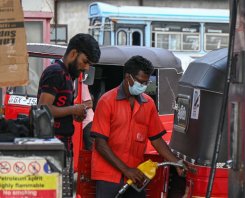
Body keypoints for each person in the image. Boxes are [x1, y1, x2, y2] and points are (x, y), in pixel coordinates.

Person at [90, 55, 184, 198]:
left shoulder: (148, 104)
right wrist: (126, 170)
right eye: (141, 82)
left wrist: (176, 163)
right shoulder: (107, 101)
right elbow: (100, 144)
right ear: (128, 77)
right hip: (108, 176)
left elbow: (157, 140)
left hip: (136, 175)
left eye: (147, 83)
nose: (144, 86)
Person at [37, 33, 100, 196]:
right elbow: (43, 109)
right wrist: (73, 109)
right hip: (51, 149)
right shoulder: (56, 72)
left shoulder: (68, 76)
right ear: (73, 54)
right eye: (85, 62)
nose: (86, 68)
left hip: (63, 147)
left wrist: (74, 113)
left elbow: (58, 108)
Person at [82, 83, 95, 150]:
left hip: (87, 122)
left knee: (92, 151)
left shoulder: (82, 84)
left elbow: (89, 103)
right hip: (80, 122)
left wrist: (71, 108)